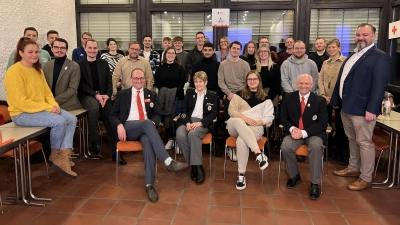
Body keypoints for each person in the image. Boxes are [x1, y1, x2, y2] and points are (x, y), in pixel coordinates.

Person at [109, 68, 188, 203]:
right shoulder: (122, 94)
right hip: (128, 128)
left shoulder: (152, 94)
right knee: (146, 124)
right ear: (131, 79)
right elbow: (112, 115)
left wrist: (150, 124)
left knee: (147, 140)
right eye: (136, 78)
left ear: (145, 80)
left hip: (145, 129)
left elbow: (158, 115)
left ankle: (149, 185)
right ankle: (168, 161)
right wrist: (119, 125)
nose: (139, 81)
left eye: (141, 78)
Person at [5, 37, 77, 178]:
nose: (34, 55)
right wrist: (47, 108)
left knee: (72, 119)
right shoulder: (14, 72)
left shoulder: (37, 70)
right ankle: (55, 155)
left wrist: (54, 105)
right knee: (60, 122)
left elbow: (46, 92)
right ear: (21, 53)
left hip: (40, 109)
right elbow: (21, 102)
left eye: (36, 52)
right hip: (21, 114)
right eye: (30, 52)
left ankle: (64, 155)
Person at [330, 23, 391, 191]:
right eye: (358, 35)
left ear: (373, 37)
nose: (361, 38)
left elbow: (379, 86)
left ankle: (366, 177)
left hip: (363, 109)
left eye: (365, 35)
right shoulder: (353, 55)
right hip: (346, 107)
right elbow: (342, 80)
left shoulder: (380, 57)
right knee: (352, 139)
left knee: (364, 142)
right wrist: (336, 99)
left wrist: (373, 108)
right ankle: (353, 167)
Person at [280, 74, 328, 200]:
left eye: (307, 84)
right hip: (294, 132)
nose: (303, 86)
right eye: (301, 83)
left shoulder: (320, 101)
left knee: (316, 146)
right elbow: (283, 118)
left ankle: (315, 183)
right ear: (297, 84)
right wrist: (291, 129)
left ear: (312, 85)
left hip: (313, 134)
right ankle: (294, 176)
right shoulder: (288, 98)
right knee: (285, 147)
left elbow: (322, 123)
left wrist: (304, 132)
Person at [77, 39, 123, 164]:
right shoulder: (79, 65)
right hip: (88, 95)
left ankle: (116, 151)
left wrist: (107, 95)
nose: (92, 50)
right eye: (90, 48)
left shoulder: (103, 63)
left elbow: (109, 81)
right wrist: (96, 95)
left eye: (94, 48)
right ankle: (94, 141)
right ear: (85, 48)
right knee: (93, 108)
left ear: (97, 50)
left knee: (109, 112)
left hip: (103, 96)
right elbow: (81, 85)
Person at [227, 70, 274, 190]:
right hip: (235, 126)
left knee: (242, 141)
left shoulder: (266, 98)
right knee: (238, 121)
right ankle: (258, 153)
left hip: (255, 127)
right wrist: (245, 118)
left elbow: (269, 117)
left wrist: (258, 122)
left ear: (259, 81)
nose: (252, 82)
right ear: (246, 82)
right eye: (250, 79)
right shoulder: (238, 94)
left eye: (255, 79)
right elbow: (231, 111)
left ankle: (241, 175)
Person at [175, 71, 218, 184]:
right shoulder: (189, 94)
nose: (198, 84)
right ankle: (193, 164)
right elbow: (183, 111)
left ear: (206, 82)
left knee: (193, 134)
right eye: (195, 81)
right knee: (180, 134)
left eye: (200, 82)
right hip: (189, 121)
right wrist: (187, 122)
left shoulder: (212, 95)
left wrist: (201, 123)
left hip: (203, 123)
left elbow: (213, 114)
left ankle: (198, 167)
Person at [318, 38, 347, 165]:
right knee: (326, 125)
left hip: (340, 100)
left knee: (341, 127)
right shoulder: (325, 63)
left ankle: (339, 152)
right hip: (325, 99)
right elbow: (321, 79)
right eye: (329, 47)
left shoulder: (345, 62)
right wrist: (323, 95)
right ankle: (327, 151)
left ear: (339, 48)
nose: (331, 49)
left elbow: (345, 82)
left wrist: (335, 98)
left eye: (334, 47)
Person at [154, 47, 186, 150]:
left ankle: (178, 140)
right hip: (164, 98)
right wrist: (167, 93)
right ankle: (170, 139)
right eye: (168, 53)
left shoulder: (180, 68)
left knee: (177, 119)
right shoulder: (160, 69)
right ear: (165, 54)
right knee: (167, 119)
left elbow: (182, 82)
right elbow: (157, 83)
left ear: (175, 55)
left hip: (178, 98)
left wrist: (174, 92)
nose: (171, 55)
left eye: (173, 53)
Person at [43, 38, 82, 111]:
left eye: (62, 48)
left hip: (67, 105)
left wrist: (54, 101)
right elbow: (44, 85)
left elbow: (72, 89)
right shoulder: (47, 65)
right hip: (48, 103)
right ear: (52, 49)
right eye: (56, 47)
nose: (59, 50)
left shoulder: (74, 66)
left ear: (66, 50)